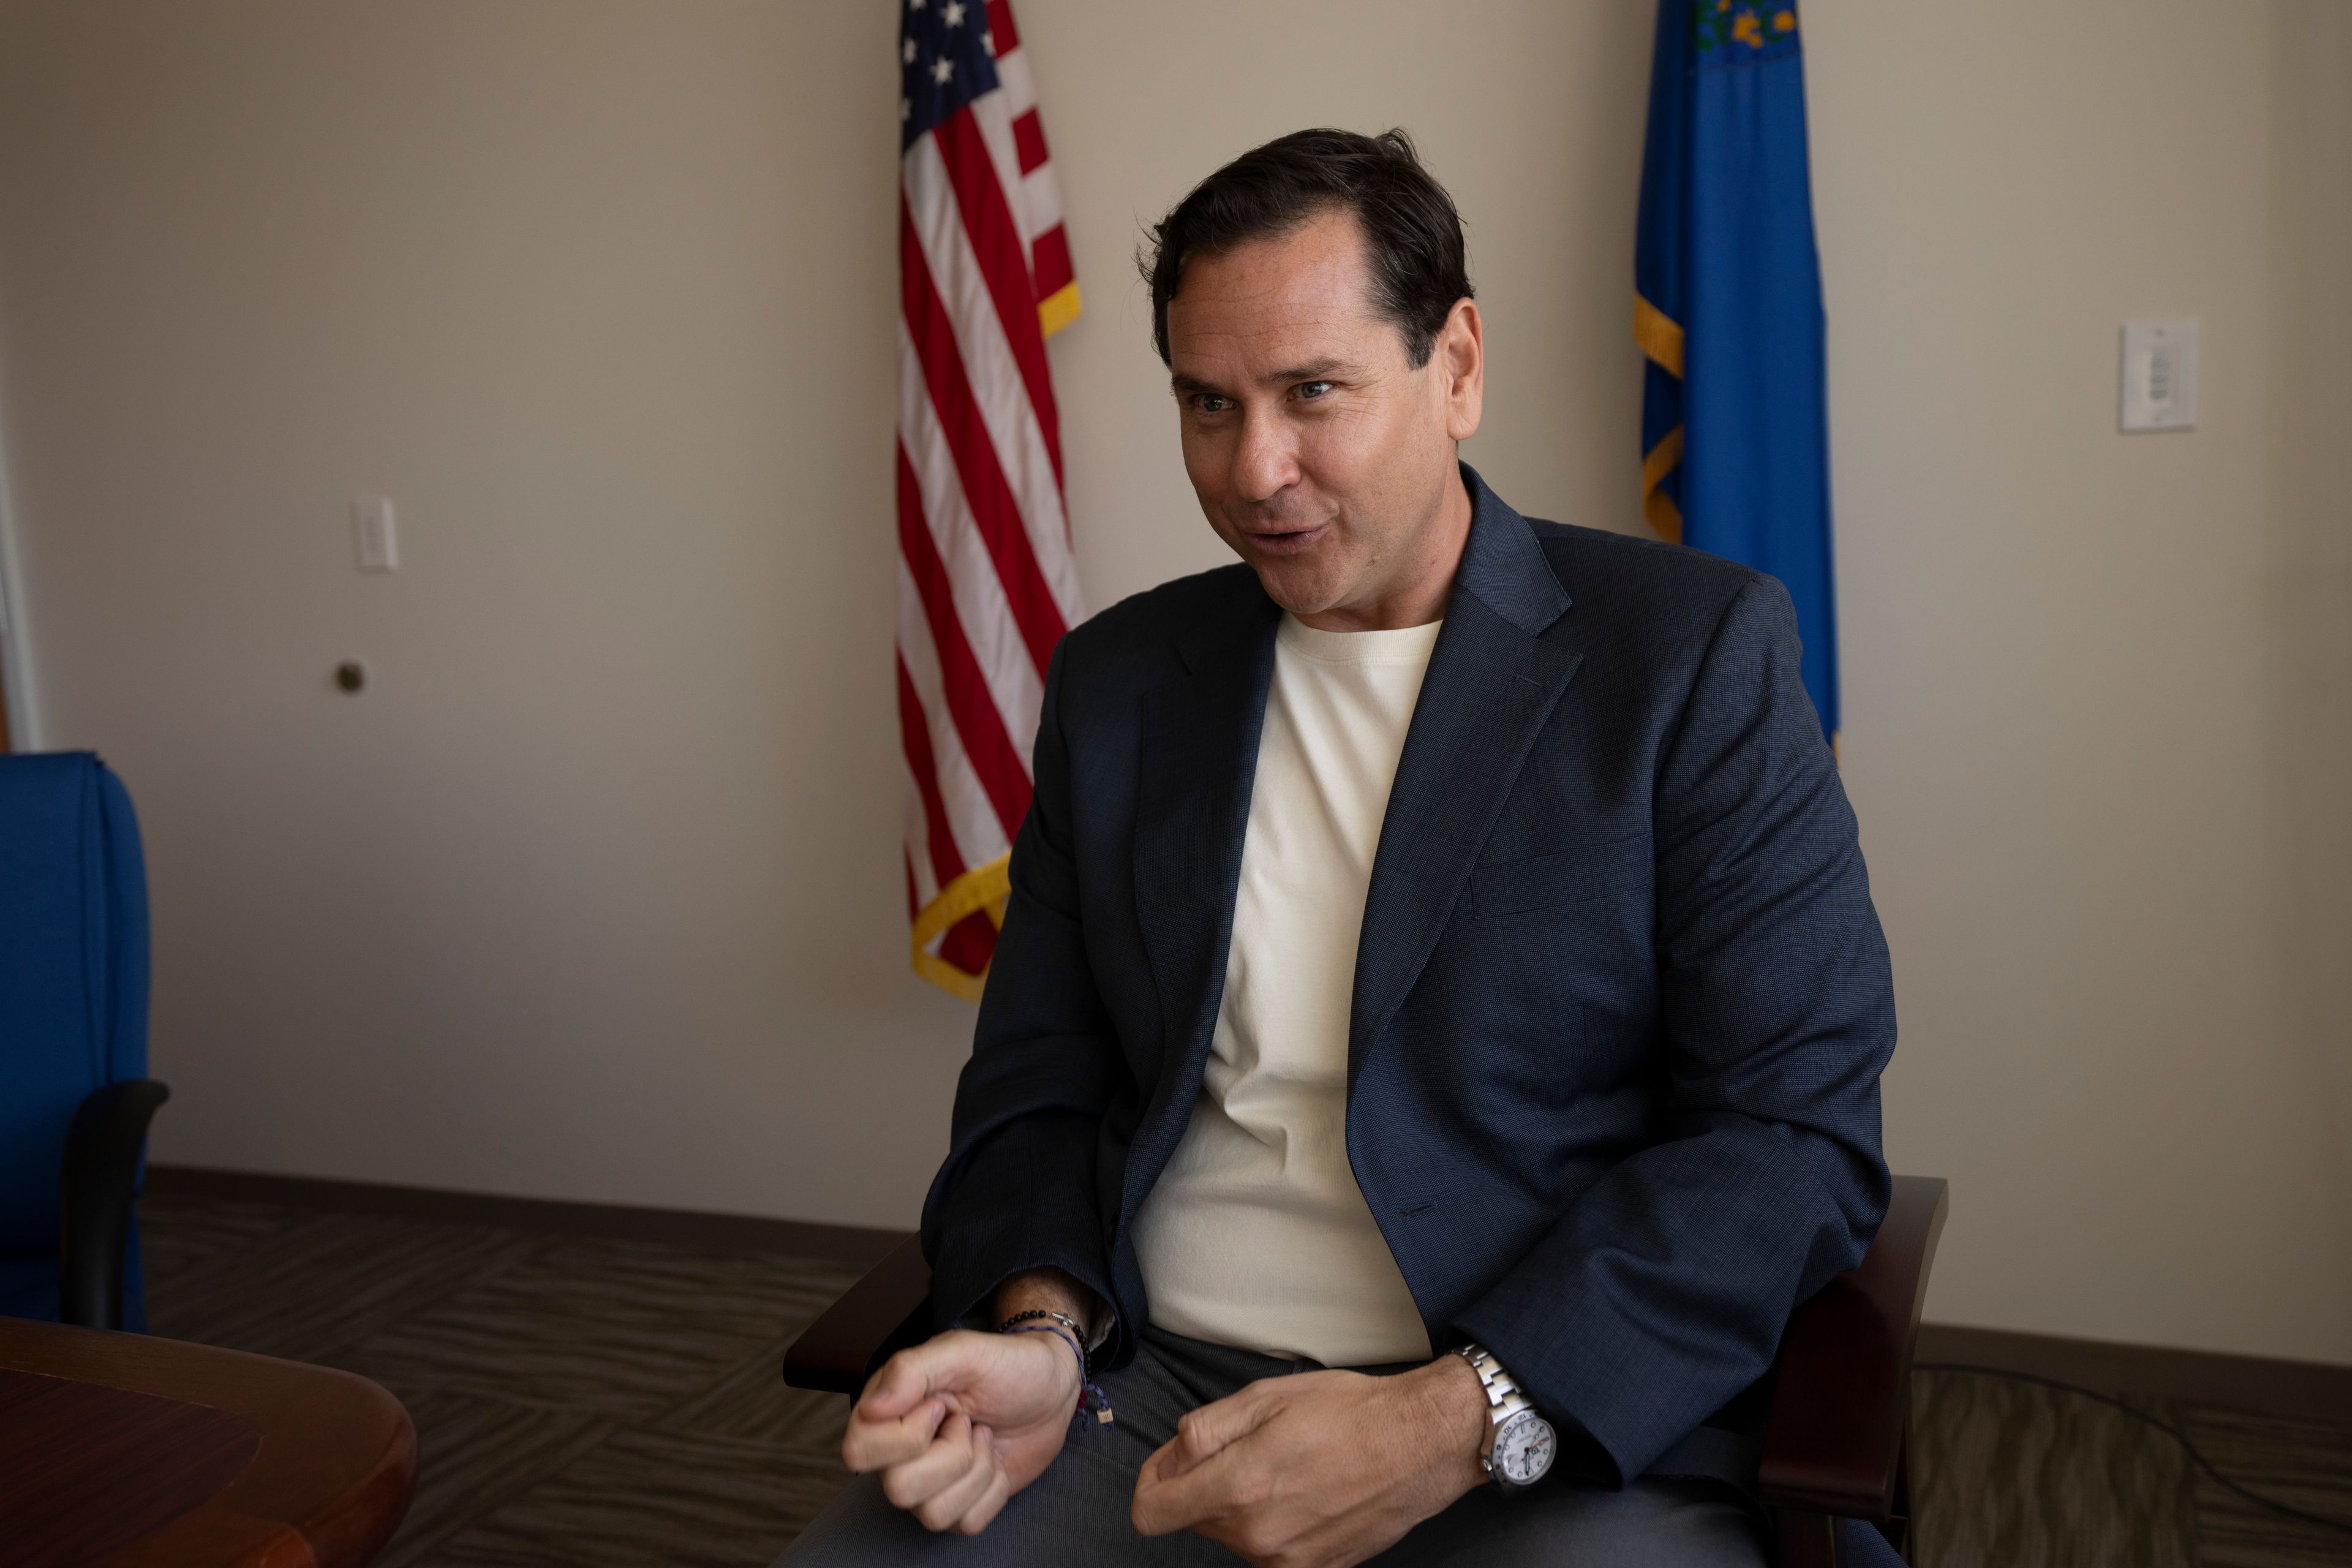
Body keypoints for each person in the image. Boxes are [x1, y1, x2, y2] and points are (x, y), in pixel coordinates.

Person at [783, 127, 1895, 1567]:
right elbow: (1037, 1088)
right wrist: (1046, 1329)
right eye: (1206, 402)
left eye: (1314, 392)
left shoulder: (1686, 659)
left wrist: (1457, 1412)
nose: (1256, 470)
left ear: (1459, 367)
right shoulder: (1122, 683)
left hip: (1536, 1422)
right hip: (1146, 1393)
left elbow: (1789, 1132)